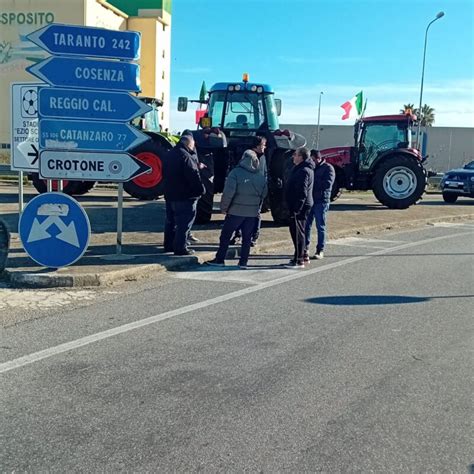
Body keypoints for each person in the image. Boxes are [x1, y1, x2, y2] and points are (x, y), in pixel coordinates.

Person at [206, 149, 267, 269]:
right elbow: (264, 193)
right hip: (252, 213)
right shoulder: (260, 176)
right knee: (247, 238)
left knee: (225, 236)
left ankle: (220, 259)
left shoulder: (235, 173)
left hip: (235, 212)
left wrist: (224, 208)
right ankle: (243, 262)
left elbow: (228, 193)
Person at [162, 134, 205, 256]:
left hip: (170, 195)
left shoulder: (168, 154)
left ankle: (169, 245)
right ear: (189, 144)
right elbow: (193, 176)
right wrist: (201, 190)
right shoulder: (186, 157)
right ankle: (180, 248)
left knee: (170, 222)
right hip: (185, 196)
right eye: (193, 145)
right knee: (184, 223)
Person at [229, 135, 267, 246]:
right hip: (247, 191)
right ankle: (238, 235)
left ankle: (254, 237)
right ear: (257, 145)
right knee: (241, 213)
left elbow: (264, 174)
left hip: (257, 192)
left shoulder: (263, 157)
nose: (265, 147)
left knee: (256, 214)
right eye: (263, 145)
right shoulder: (248, 156)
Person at [285, 147, 314, 268]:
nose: (293, 157)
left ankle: (299, 259)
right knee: (298, 231)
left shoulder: (303, 171)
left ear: (301, 157)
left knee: (298, 232)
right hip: (300, 204)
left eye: (295, 155)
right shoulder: (301, 168)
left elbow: (302, 192)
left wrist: (297, 208)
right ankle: (300, 255)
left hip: (300, 206)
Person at [305, 149, 335, 260]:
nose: (312, 162)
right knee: (306, 225)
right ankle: (305, 248)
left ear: (319, 158)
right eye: (311, 160)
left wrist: (313, 184)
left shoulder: (328, 168)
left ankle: (320, 249)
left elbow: (327, 184)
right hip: (310, 200)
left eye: (314, 159)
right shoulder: (311, 168)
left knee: (320, 226)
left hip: (321, 201)